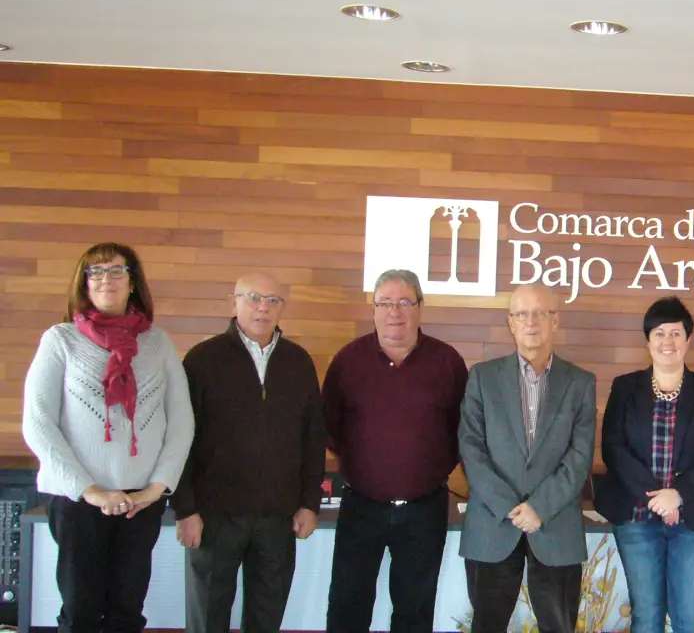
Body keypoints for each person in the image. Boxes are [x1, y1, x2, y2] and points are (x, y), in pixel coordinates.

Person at [22, 242, 195, 633]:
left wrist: (156, 488)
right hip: (78, 501)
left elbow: (181, 421)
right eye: (96, 272)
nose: (106, 279)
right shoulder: (60, 340)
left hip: (141, 501)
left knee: (127, 611)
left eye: (117, 270)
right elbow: (38, 423)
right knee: (80, 611)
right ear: (84, 283)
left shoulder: (158, 342)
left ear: (133, 283)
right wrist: (92, 492)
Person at [173, 272, 326, 633]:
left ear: (282, 308)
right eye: (254, 297)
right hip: (213, 516)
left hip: (278, 517)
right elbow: (179, 439)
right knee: (208, 618)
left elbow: (313, 437)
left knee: (266, 617)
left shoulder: (298, 361)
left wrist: (310, 503)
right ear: (234, 302)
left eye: (273, 300)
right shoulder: (202, 359)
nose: (263, 307)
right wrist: (185, 509)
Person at [322, 269, 468, 633]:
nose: (394, 311)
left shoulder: (447, 361)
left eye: (404, 302)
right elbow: (329, 426)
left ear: (420, 306)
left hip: (424, 508)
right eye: (385, 302)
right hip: (361, 506)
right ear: (373, 308)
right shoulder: (348, 360)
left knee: (415, 610)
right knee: (347, 605)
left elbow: (463, 429)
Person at [458, 283, 597, 633]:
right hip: (493, 523)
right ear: (510, 322)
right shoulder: (482, 377)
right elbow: (471, 448)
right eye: (521, 314)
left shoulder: (580, 382)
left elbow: (579, 456)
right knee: (487, 626)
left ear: (555, 320)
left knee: (559, 626)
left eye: (539, 313)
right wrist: (508, 505)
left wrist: (539, 507)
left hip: (555, 525)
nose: (530, 321)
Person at [595, 297, 694, 633]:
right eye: (659, 333)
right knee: (646, 617)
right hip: (637, 517)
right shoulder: (625, 387)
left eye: (675, 333)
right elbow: (613, 448)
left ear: (688, 340)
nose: (667, 341)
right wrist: (658, 499)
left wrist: (678, 494)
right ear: (648, 341)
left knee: (691, 619)